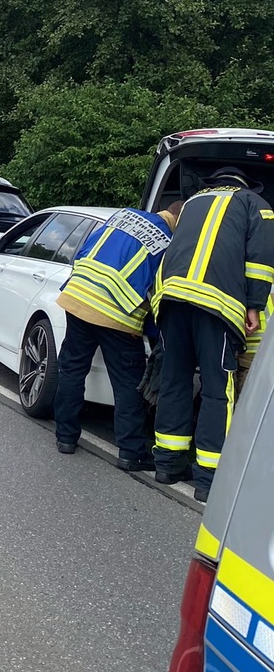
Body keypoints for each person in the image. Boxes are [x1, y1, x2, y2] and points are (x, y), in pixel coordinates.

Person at [152, 166, 274, 502]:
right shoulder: (255, 204)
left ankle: (166, 465)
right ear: (245, 185)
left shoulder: (191, 202)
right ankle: (208, 480)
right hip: (216, 307)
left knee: (174, 380)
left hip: (173, 301)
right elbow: (260, 260)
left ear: (215, 183)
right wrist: (254, 305)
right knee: (217, 390)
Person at [54, 202, 182, 471]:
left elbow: (87, 249)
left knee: (72, 370)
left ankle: (65, 438)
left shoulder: (124, 216)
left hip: (77, 296)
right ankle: (131, 453)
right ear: (179, 220)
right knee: (127, 385)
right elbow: (158, 292)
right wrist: (156, 336)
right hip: (117, 314)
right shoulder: (169, 242)